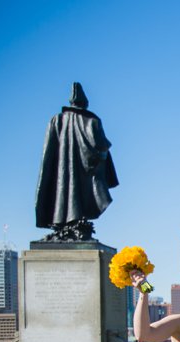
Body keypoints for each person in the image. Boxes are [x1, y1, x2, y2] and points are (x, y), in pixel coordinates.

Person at [35, 82, 119, 242]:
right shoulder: (92, 121)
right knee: (76, 193)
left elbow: (48, 152)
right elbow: (101, 148)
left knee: (62, 191)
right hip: (83, 174)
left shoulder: (57, 120)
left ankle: (61, 222)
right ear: (85, 104)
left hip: (60, 172)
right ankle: (72, 222)